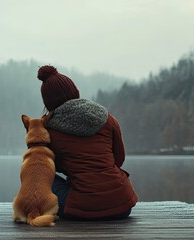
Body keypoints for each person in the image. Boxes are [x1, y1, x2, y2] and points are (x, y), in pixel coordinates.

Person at [36, 65, 138, 220]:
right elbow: (119, 159)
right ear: (74, 91)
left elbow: (51, 166)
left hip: (81, 209)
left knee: (38, 175)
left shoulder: (50, 129)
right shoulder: (107, 118)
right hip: (122, 205)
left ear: (48, 102)